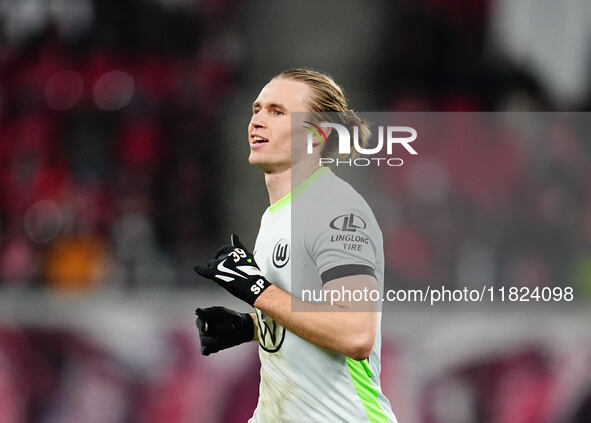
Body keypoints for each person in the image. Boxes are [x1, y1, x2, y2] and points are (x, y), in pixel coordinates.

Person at [194, 69, 397, 422]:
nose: (257, 121)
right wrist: (253, 326)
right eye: (256, 109)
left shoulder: (335, 209)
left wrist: (258, 291)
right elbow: (312, 312)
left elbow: (356, 332)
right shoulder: (278, 215)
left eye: (277, 112)